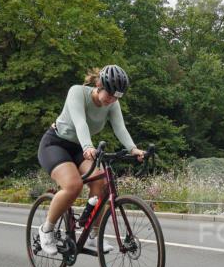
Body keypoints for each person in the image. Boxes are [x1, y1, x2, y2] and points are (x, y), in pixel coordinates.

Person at [37, 65, 145, 256]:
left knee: (101, 183)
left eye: (116, 97)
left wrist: (133, 148)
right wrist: (88, 146)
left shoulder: (113, 103)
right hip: (55, 144)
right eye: (109, 95)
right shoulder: (77, 92)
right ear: (98, 84)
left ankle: (95, 236)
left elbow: (120, 128)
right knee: (73, 185)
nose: (111, 100)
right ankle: (46, 230)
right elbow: (80, 122)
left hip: (80, 147)